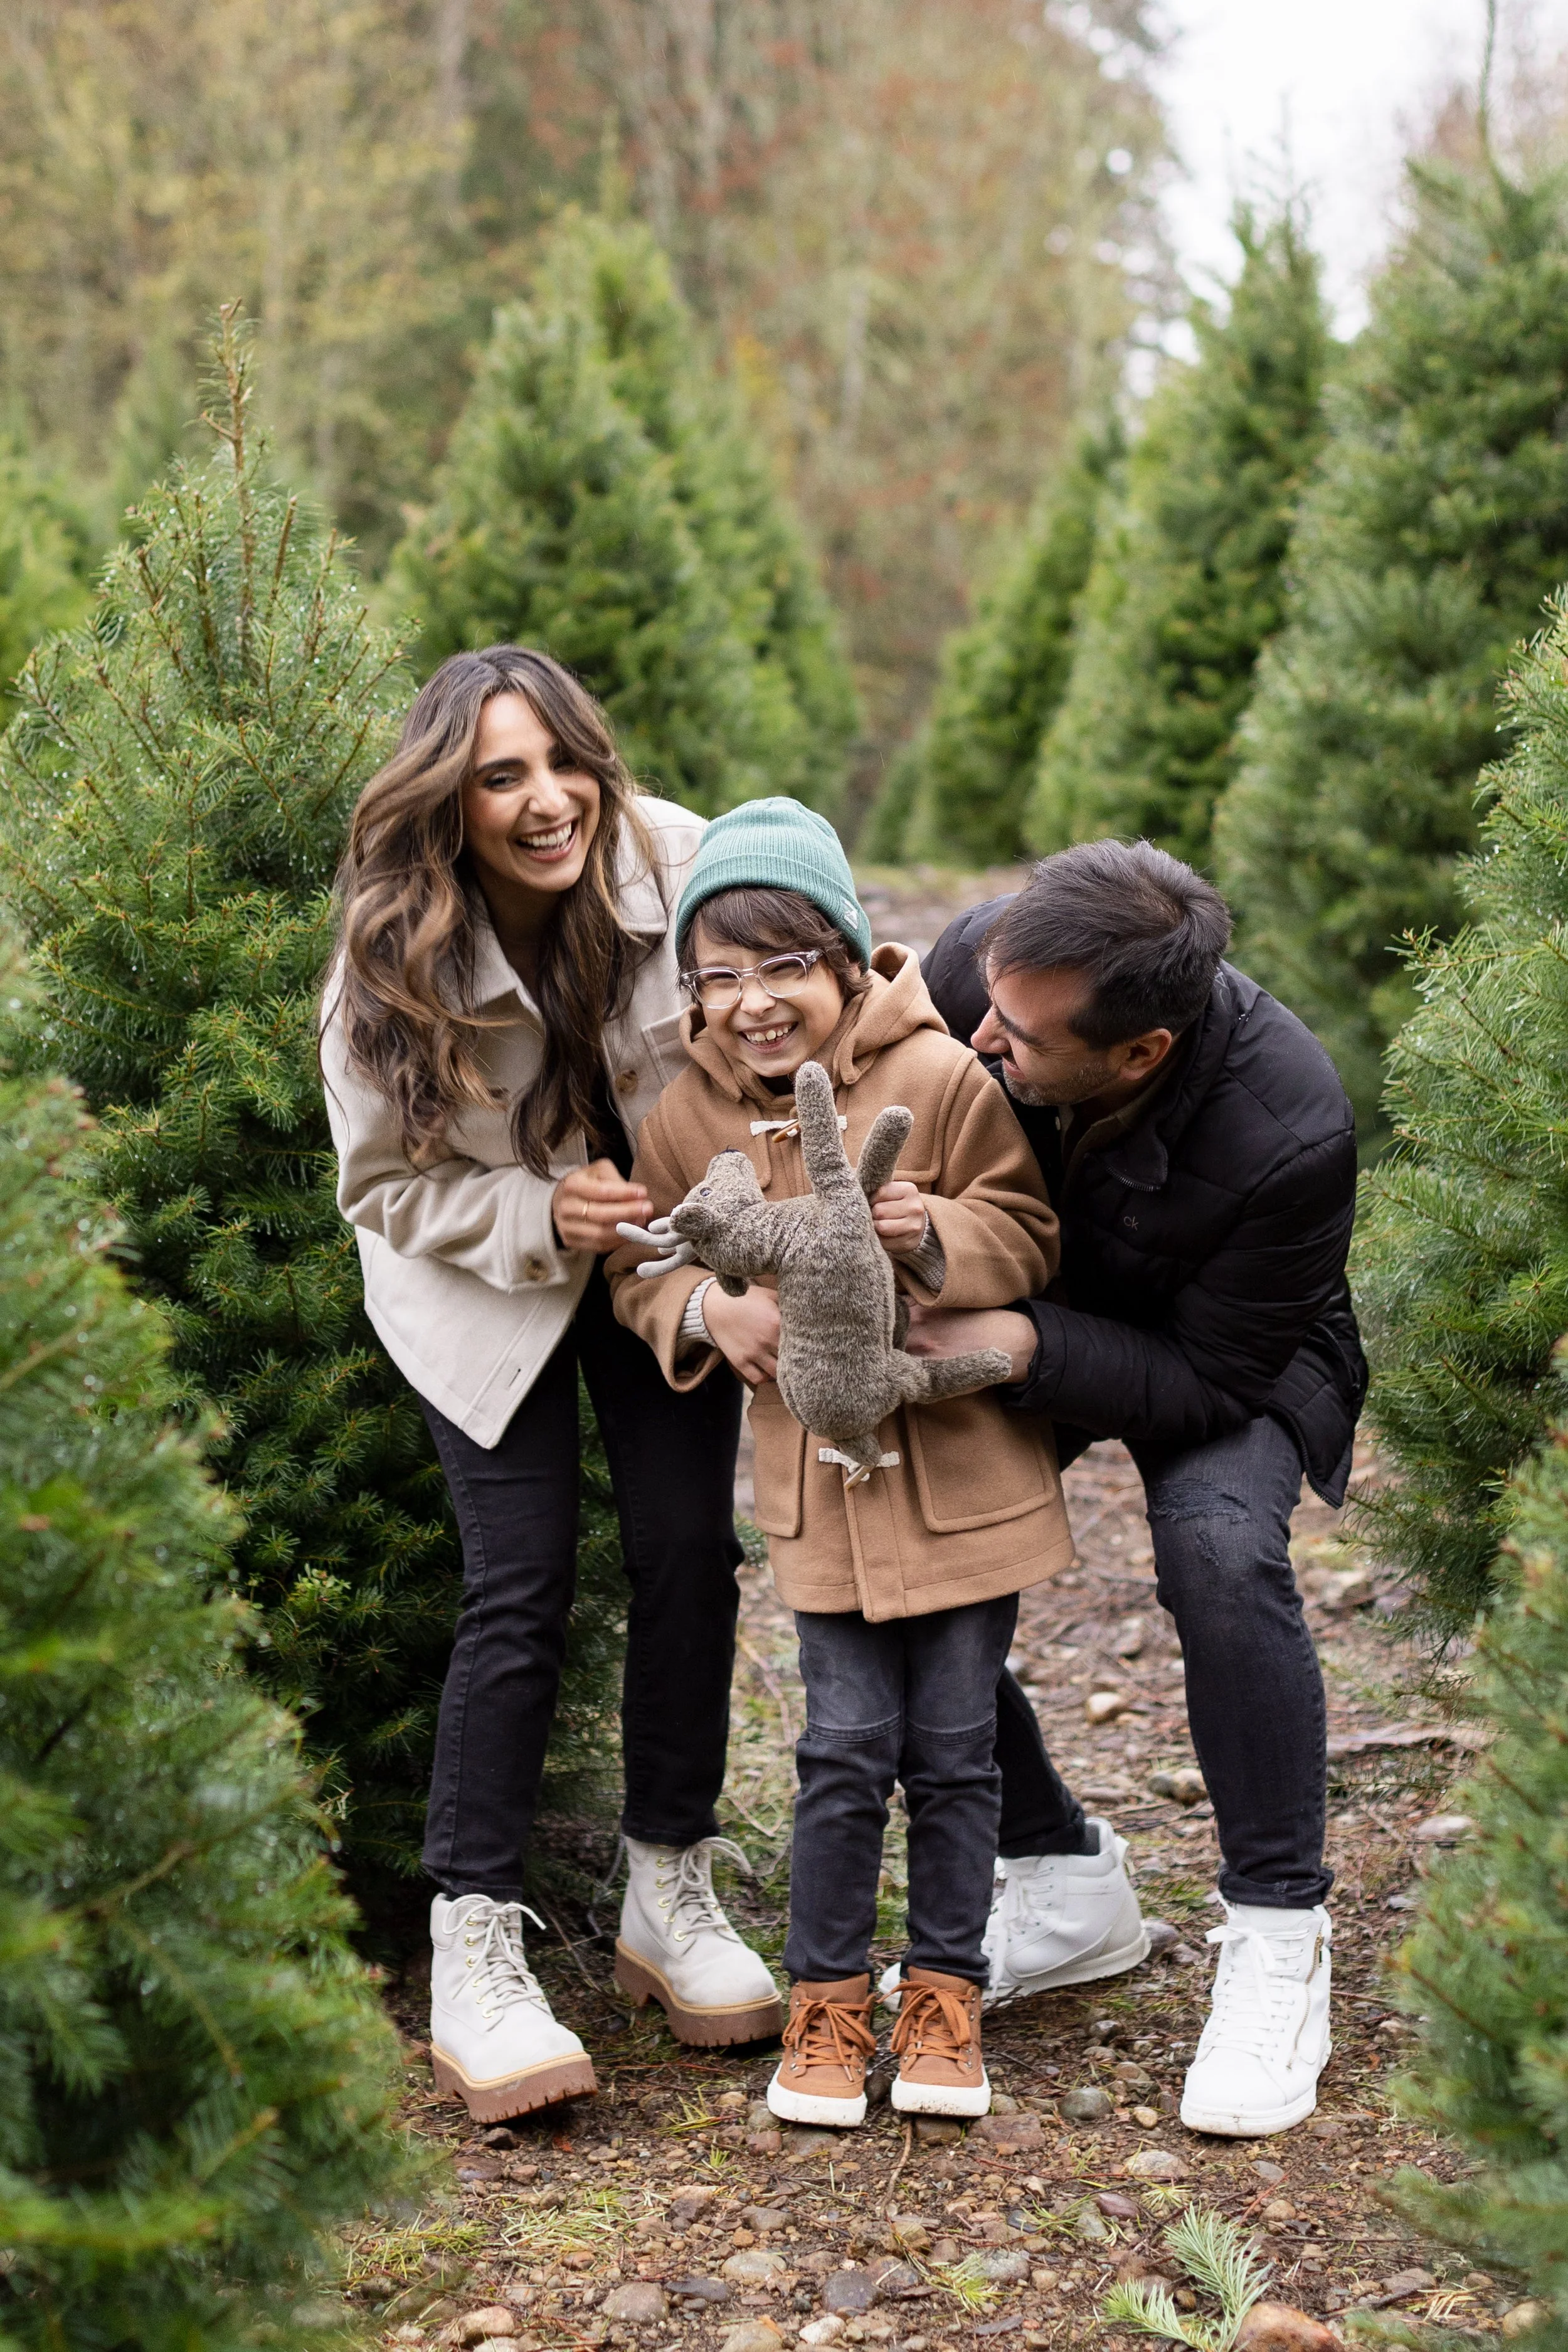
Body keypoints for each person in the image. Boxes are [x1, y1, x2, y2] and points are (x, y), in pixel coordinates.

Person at [320, 645, 780, 2123]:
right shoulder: (388, 957)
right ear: (446, 802)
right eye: (498, 777)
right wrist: (533, 1216)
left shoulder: (687, 865)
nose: (542, 802)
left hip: (659, 1255)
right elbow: (382, 1189)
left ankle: (668, 1884)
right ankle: (474, 1945)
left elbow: (795, 1008)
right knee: (518, 1577)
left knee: (687, 1555)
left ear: (597, 760)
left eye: (559, 763)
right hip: (483, 1278)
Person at [608, 799, 1075, 2127]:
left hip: (962, 1483)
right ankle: (822, 2007)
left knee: (954, 1747)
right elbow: (640, 1271)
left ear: (843, 960)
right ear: (691, 990)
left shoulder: (939, 1081)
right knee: (840, 1745)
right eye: (719, 975)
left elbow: (1027, 1231)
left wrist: (934, 1236)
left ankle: (940, 1998)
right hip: (821, 1493)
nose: (753, 1003)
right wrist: (710, 1311)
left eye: (781, 967)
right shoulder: (679, 1114)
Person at [909, 839, 1366, 2139]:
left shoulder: (1288, 1129)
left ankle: (1278, 1934)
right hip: (1028, 1297)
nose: (981, 1038)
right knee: (910, 1533)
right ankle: (1058, 1875)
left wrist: (1020, 1348)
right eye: (983, 1006)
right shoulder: (984, 974)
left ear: (1137, 1054)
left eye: (1021, 1036)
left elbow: (1211, 1376)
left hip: (1228, 1349)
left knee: (1217, 1549)